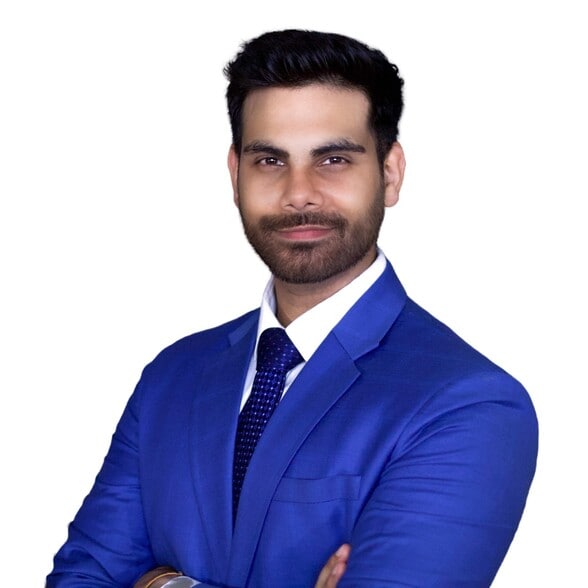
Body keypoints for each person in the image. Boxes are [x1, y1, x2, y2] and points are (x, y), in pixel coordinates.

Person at [47, 29, 538, 587]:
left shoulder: (468, 403)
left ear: (390, 172)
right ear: (235, 175)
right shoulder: (172, 377)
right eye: (269, 160)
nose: (298, 192)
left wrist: (163, 583)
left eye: (333, 159)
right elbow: (79, 579)